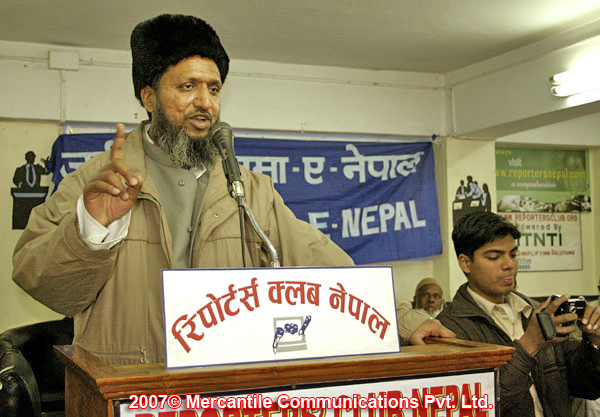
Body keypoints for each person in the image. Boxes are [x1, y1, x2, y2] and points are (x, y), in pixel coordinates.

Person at [12, 14, 452, 365]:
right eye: (187, 87)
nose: (205, 102)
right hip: (129, 387)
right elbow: (42, 282)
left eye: (213, 88)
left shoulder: (249, 190)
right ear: (148, 97)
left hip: (222, 386)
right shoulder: (97, 181)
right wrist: (91, 230)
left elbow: (320, 261)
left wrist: (403, 318)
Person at [437, 211, 600, 417]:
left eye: (513, 255)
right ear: (465, 263)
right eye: (494, 257)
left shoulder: (535, 310)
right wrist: (530, 344)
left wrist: (594, 342)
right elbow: (477, 405)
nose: (509, 265)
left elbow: (586, 387)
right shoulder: (448, 329)